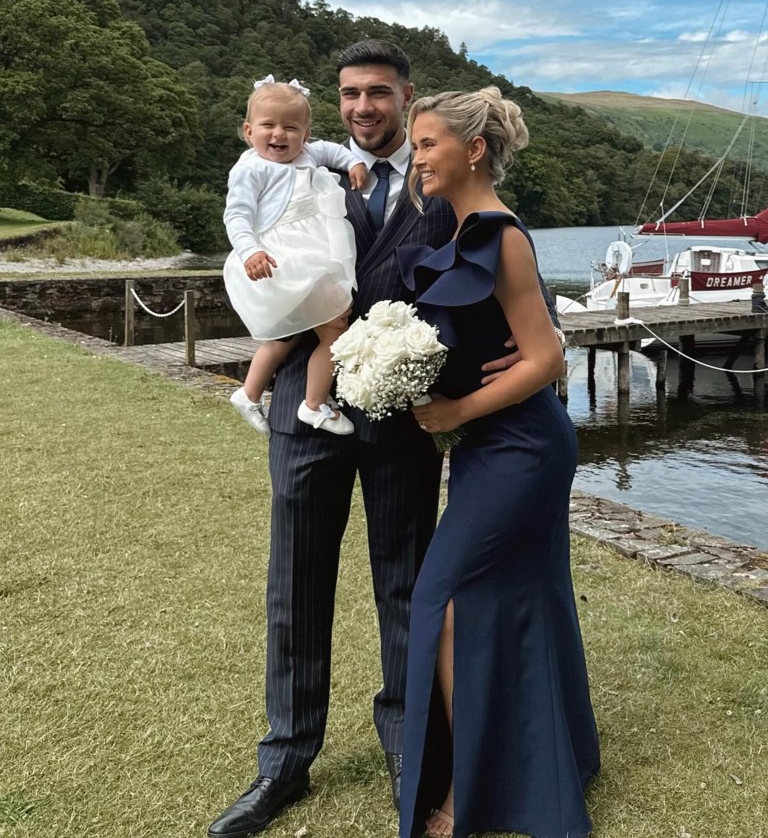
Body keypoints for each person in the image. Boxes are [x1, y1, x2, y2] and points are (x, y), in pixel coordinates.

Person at [208, 41, 560, 838]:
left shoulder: (442, 179)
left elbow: (504, 262)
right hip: (309, 403)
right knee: (294, 585)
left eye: (377, 93)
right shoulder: (293, 166)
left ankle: (409, 748)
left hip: (406, 418)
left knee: (405, 585)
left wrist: (529, 340)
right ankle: (284, 762)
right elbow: (249, 255)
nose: (362, 107)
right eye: (348, 94)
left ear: (405, 97)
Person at [397, 87, 600, 838]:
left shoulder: (498, 233)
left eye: (427, 145)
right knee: (524, 598)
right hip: (493, 448)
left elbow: (544, 356)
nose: (417, 158)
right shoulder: (458, 227)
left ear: (472, 150)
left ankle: (469, 793)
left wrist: (451, 414)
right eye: (416, 145)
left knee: (441, 601)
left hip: (523, 447)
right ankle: (552, 760)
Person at [223, 76, 367, 436]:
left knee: (294, 334)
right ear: (248, 130)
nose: (279, 135)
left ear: (306, 134)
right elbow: (236, 215)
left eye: (291, 127)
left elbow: (335, 151)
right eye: (268, 126)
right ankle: (313, 403)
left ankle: (251, 393)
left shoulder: (309, 153)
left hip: (314, 254)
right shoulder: (250, 168)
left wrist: (353, 163)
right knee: (330, 328)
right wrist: (249, 250)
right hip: (278, 260)